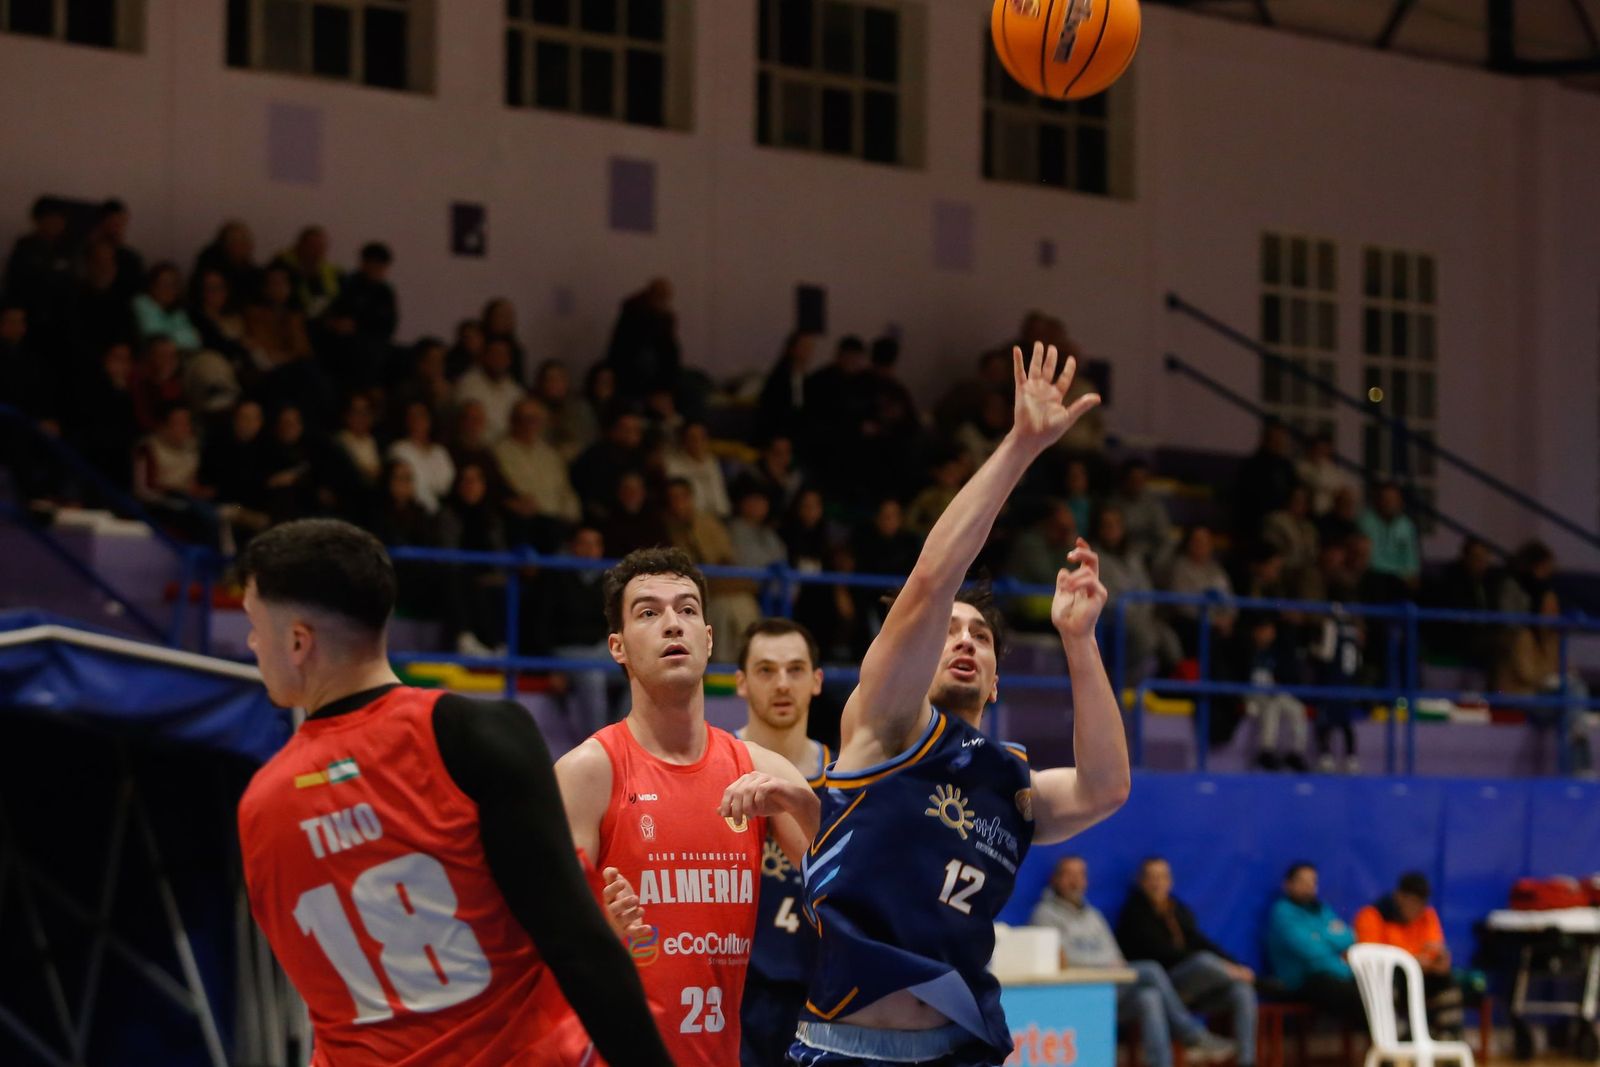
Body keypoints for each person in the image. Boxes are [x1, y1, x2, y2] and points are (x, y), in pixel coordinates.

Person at [793, 344, 1130, 1066]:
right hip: (848, 1046)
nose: (965, 640)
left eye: (981, 634)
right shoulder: (886, 725)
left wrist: (1079, 638)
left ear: (998, 678)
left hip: (961, 1047)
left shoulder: (1009, 781)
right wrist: (1021, 447)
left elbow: (1106, 786)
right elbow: (929, 583)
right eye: (950, 632)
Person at [233, 519, 672, 1066]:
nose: (252, 642)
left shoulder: (261, 804)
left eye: (255, 625)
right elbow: (578, 945)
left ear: (298, 641)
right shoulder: (471, 733)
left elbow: (320, 995)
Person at [553, 547, 821, 1066]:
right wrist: (600, 933)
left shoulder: (758, 769)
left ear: (708, 637)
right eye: (648, 613)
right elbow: (539, 940)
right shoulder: (588, 771)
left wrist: (803, 802)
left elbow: (847, 892)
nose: (672, 624)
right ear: (618, 647)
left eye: (688, 610)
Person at [733, 619, 832, 1067]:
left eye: (795, 670)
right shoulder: (714, 770)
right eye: (766, 670)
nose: (782, 684)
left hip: (823, 1001)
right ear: (741, 683)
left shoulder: (849, 778)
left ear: (816, 681)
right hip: (732, 1002)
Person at [1031, 857, 1238, 1067]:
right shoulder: (1044, 914)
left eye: (1080, 874)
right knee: (1151, 969)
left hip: (1111, 989)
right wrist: (1106, 965)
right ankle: (1191, 1034)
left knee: (1150, 997)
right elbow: (1065, 960)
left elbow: (1116, 955)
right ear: (1055, 879)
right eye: (1069, 875)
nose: (1075, 881)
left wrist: (1110, 964)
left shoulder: (1093, 915)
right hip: (1080, 992)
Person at [1115, 858, 1257, 1067]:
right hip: (1164, 982)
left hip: (1190, 990)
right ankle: (1193, 1037)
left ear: (1170, 881)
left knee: (1242, 990)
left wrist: (1233, 965)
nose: (1157, 883)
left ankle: (1247, 1061)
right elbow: (1163, 954)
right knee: (1202, 963)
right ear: (1141, 882)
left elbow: (1200, 941)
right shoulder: (1134, 913)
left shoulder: (1177, 909)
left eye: (1162, 877)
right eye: (1151, 877)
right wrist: (1228, 969)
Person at [1354, 872, 1464, 1035]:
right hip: (1391, 980)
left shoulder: (1427, 915)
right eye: (1413, 902)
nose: (1418, 908)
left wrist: (1440, 961)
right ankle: (1397, 1046)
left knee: (1447, 982)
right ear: (1399, 897)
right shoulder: (1371, 916)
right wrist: (1411, 960)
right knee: (1387, 985)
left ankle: (1448, 1042)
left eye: (1422, 903)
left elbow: (1435, 949)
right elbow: (1370, 960)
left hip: (1421, 977)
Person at [1265, 863, 1363, 1021]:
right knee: (1342, 990)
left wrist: (1319, 936)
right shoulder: (1282, 913)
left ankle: (1397, 1033)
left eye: (1313, 881)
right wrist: (1345, 968)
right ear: (1288, 885)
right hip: (1300, 982)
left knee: (1371, 986)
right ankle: (1391, 1035)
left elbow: (1349, 937)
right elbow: (1313, 954)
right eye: (1302, 881)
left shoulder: (1321, 909)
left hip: (1332, 974)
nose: (1309, 886)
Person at [387, 400, 455, 515]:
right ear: (406, 420)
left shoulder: (440, 452)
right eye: (413, 416)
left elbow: (445, 487)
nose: (417, 421)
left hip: (438, 512)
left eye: (421, 416)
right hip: (409, 512)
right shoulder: (399, 449)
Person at [455, 338, 525, 443]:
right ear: (484, 356)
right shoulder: (468, 384)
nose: (499, 359)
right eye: (495, 354)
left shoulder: (515, 390)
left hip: (509, 446)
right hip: (479, 445)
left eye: (503, 355)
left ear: (509, 360)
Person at [1359, 483, 1421, 590]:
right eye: (1385, 499)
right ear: (1378, 501)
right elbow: (1366, 558)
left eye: (1393, 499)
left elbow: (1411, 560)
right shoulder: (1365, 522)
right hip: (1373, 574)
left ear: (1400, 502)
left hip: (1399, 578)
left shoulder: (1407, 525)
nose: (1389, 503)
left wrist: (1411, 574)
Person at [665, 420, 732, 518]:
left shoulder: (712, 461)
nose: (698, 442)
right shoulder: (673, 466)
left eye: (702, 438)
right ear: (684, 441)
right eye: (693, 438)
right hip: (695, 518)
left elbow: (720, 494)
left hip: (722, 516)